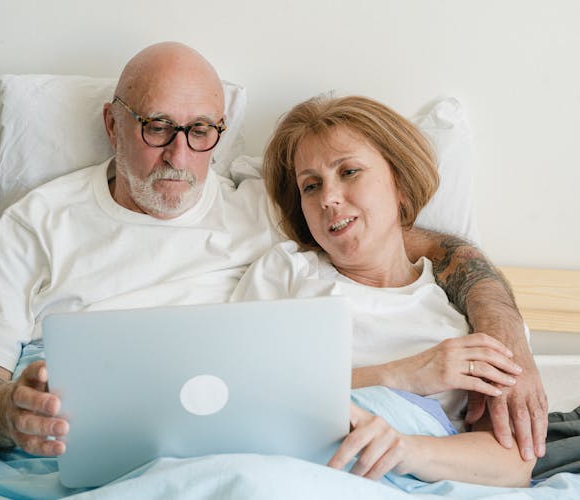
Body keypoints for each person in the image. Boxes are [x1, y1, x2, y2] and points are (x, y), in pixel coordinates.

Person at [0, 42, 545, 465]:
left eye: (200, 132)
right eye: (155, 127)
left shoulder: (268, 208)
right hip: (68, 419)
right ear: (112, 125)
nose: (178, 155)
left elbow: (411, 241)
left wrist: (505, 336)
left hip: (205, 415)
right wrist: (6, 412)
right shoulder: (35, 222)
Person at [230, 94, 537, 484]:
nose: (329, 198)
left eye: (349, 172)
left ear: (401, 186)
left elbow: (515, 463)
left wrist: (405, 449)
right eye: (310, 186)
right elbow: (239, 397)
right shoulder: (284, 273)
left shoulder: (466, 316)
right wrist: (401, 375)